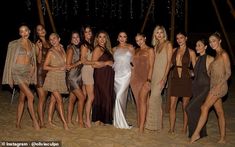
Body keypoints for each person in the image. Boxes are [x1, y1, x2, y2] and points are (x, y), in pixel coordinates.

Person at [190, 32, 231, 144]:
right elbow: (212, 71)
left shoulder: (223, 54)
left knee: (204, 107)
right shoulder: (216, 54)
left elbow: (228, 73)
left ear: (220, 41)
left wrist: (219, 85)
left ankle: (196, 134)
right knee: (220, 111)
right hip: (213, 85)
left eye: (214, 41)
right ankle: (223, 138)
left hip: (219, 86)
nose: (212, 43)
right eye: (210, 41)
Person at [2, 24, 40, 130]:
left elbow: (33, 60)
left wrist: (33, 68)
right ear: (19, 33)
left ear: (29, 32)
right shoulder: (13, 44)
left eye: (26, 31)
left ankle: (17, 122)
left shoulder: (32, 45)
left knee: (22, 99)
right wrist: (9, 77)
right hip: (17, 71)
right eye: (21, 31)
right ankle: (35, 121)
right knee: (31, 96)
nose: (24, 33)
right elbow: (9, 61)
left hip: (27, 72)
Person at [145, 25, 173, 132]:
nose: (159, 34)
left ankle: (152, 124)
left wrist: (164, 78)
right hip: (154, 75)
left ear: (164, 33)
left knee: (153, 99)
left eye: (161, 32)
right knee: (157, 100)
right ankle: (159, 124)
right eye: (157, 33)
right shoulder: (155, 46)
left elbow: (169, 63)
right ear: (155, 35)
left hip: (162, 75)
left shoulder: (168, 44)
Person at [168, 31, 196, 134]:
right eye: (177, 38)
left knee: (185, 106)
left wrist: (192, 74)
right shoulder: (174, 50)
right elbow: (170, 65)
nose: (179, 40)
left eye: (181, 38)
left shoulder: (191, 52)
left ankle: (184, 128)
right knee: (172, 106)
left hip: (186, 80)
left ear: (186, 38)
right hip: (175, 79)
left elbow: (195, 68)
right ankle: (171, 128)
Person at [186, 38, 214, 138]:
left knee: (189, 108)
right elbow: (195, 73)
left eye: (199, 45)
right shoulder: (197, 59)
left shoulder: (210, 59)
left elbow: (212, 75)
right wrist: (191, 73)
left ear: (205, 47)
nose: (197, 47)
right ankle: (202, 133)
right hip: (196, 87)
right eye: (196, 45)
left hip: (205, 88)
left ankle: (195, 133)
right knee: (197, 110)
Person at [43, 33, 69, 130]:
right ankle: (65, 123)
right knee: (59, 100)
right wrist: (59, 68)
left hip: (60, 78)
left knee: (53, 100)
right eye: (50, 39)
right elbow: (45, 66)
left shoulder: (62, 48)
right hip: (52, 78)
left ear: (59, 38)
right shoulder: (51, 52)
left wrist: (66, 67)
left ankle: (49, 120)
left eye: (54, 38)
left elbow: (64, 63)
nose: (53, 41)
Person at [130, 33, 155, 133]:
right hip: (134, 80)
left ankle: (141, 127)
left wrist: (149, 80)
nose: (139, 42)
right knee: (138, 102)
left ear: (145, 38)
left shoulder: (150, 50)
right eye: (137, 40)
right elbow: (132, 64)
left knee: (143, 100)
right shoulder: (136, 50)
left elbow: (152, 66)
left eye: (140, 39)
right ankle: (141, 122)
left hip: (145, 79)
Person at [91, 30, 115, 125]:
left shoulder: (107, 49)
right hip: (101, 76)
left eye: (104, 37)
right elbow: (93, 64)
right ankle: (98, 119)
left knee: (107, 96)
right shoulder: (98, 49)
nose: (102, 39)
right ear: (97, 39)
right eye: (100, 37)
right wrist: (106, 63)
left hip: (108, 76)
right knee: (103, 95)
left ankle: (102, 119)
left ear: (106, 39)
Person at [112, 31, 135, 129]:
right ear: (117, 38)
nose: (122, 38)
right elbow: (112, 62)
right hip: (116, 75)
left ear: (127, 38)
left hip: (126, 75)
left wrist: (134, 75)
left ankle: (120, 121)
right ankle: (117, 119)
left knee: (119, 96)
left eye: (124, 37)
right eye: (120, 36)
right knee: (119, 97)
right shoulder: (114, 49)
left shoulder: (130, 47)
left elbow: (134, 62)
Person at [66, 31, 85, 127]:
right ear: (71, 39)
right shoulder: (71, 49)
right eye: (73, 37)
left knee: (72, 99)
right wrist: (80, 62)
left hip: (78, 77)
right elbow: (68, 66)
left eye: (77, 37)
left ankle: (69, 120)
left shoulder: (80, 48)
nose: (76, 39)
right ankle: (80, 121)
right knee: (82, 98)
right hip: (72, 77)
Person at [34, 24, 51, 127]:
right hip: (40, 72)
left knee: (45, 97)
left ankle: (40, 118)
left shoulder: (49, 42)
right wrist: (40, 49)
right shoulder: (38, 43)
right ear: (37, 33)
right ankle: (41, 122)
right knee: (41, 98)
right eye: (39, 30)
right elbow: (39, 60)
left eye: (42, 29)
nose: (42, 31)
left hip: (48, 73)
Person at [80, 25, 95, 128]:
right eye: (86, 32)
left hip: (90, 70)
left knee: (85, 96)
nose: (88, 33)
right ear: (83, 34)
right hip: (87, 71)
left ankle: (80, 118)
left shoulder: (90, 44)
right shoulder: (84, 45)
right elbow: (83, 60)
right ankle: (87, 120)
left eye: (89, 31)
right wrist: (95, 62)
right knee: (91, 97)